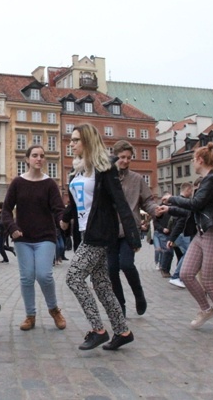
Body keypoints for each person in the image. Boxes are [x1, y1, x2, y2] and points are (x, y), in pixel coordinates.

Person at [60, 123, 138, 351]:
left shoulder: (104, 168)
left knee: (74, 277)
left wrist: (133, 237)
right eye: (71, 140)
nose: (71, 144)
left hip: (100, 232)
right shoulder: (77, 169)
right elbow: (75, 201)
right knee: (102, 284)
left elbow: (121, 203)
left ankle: (97, 329)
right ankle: (123, 331)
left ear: (87, 141)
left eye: (75, 140)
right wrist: (65, 219)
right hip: (84, 232)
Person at [160, 142, 213, 334]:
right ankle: (205, 309)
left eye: (193, 159)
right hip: (201, 235)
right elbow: (194, 210)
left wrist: (171, 198)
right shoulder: (205, 182)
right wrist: (169, 209)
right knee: (186, 274)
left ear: (200, 160)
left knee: (210, 282)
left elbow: (195, 204)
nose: (192, 162)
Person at [1, 145, 67, 332]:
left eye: (42, 156)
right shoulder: (17, 183)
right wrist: (12, 228)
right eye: (35, 155)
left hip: (45, 237)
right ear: (27, 159)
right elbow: (6, 211)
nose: (39, 159)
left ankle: (54, 309)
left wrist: (63, 221)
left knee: (44, 275)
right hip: (23, 237)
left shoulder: (49, 184)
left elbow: (58, 209)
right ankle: (30, 315)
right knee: (27, 277)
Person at [107, 140, 159, 316]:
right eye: (122, 157)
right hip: (110, 230)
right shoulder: (107, 177)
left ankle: (139, 294)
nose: (125, 161)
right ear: (115, 156)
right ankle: (119, 305)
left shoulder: (137, 179)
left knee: (126, 264)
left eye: (129, 158)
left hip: (130, 229)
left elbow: (148, 201)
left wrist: (156, 210)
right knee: (111, 268)